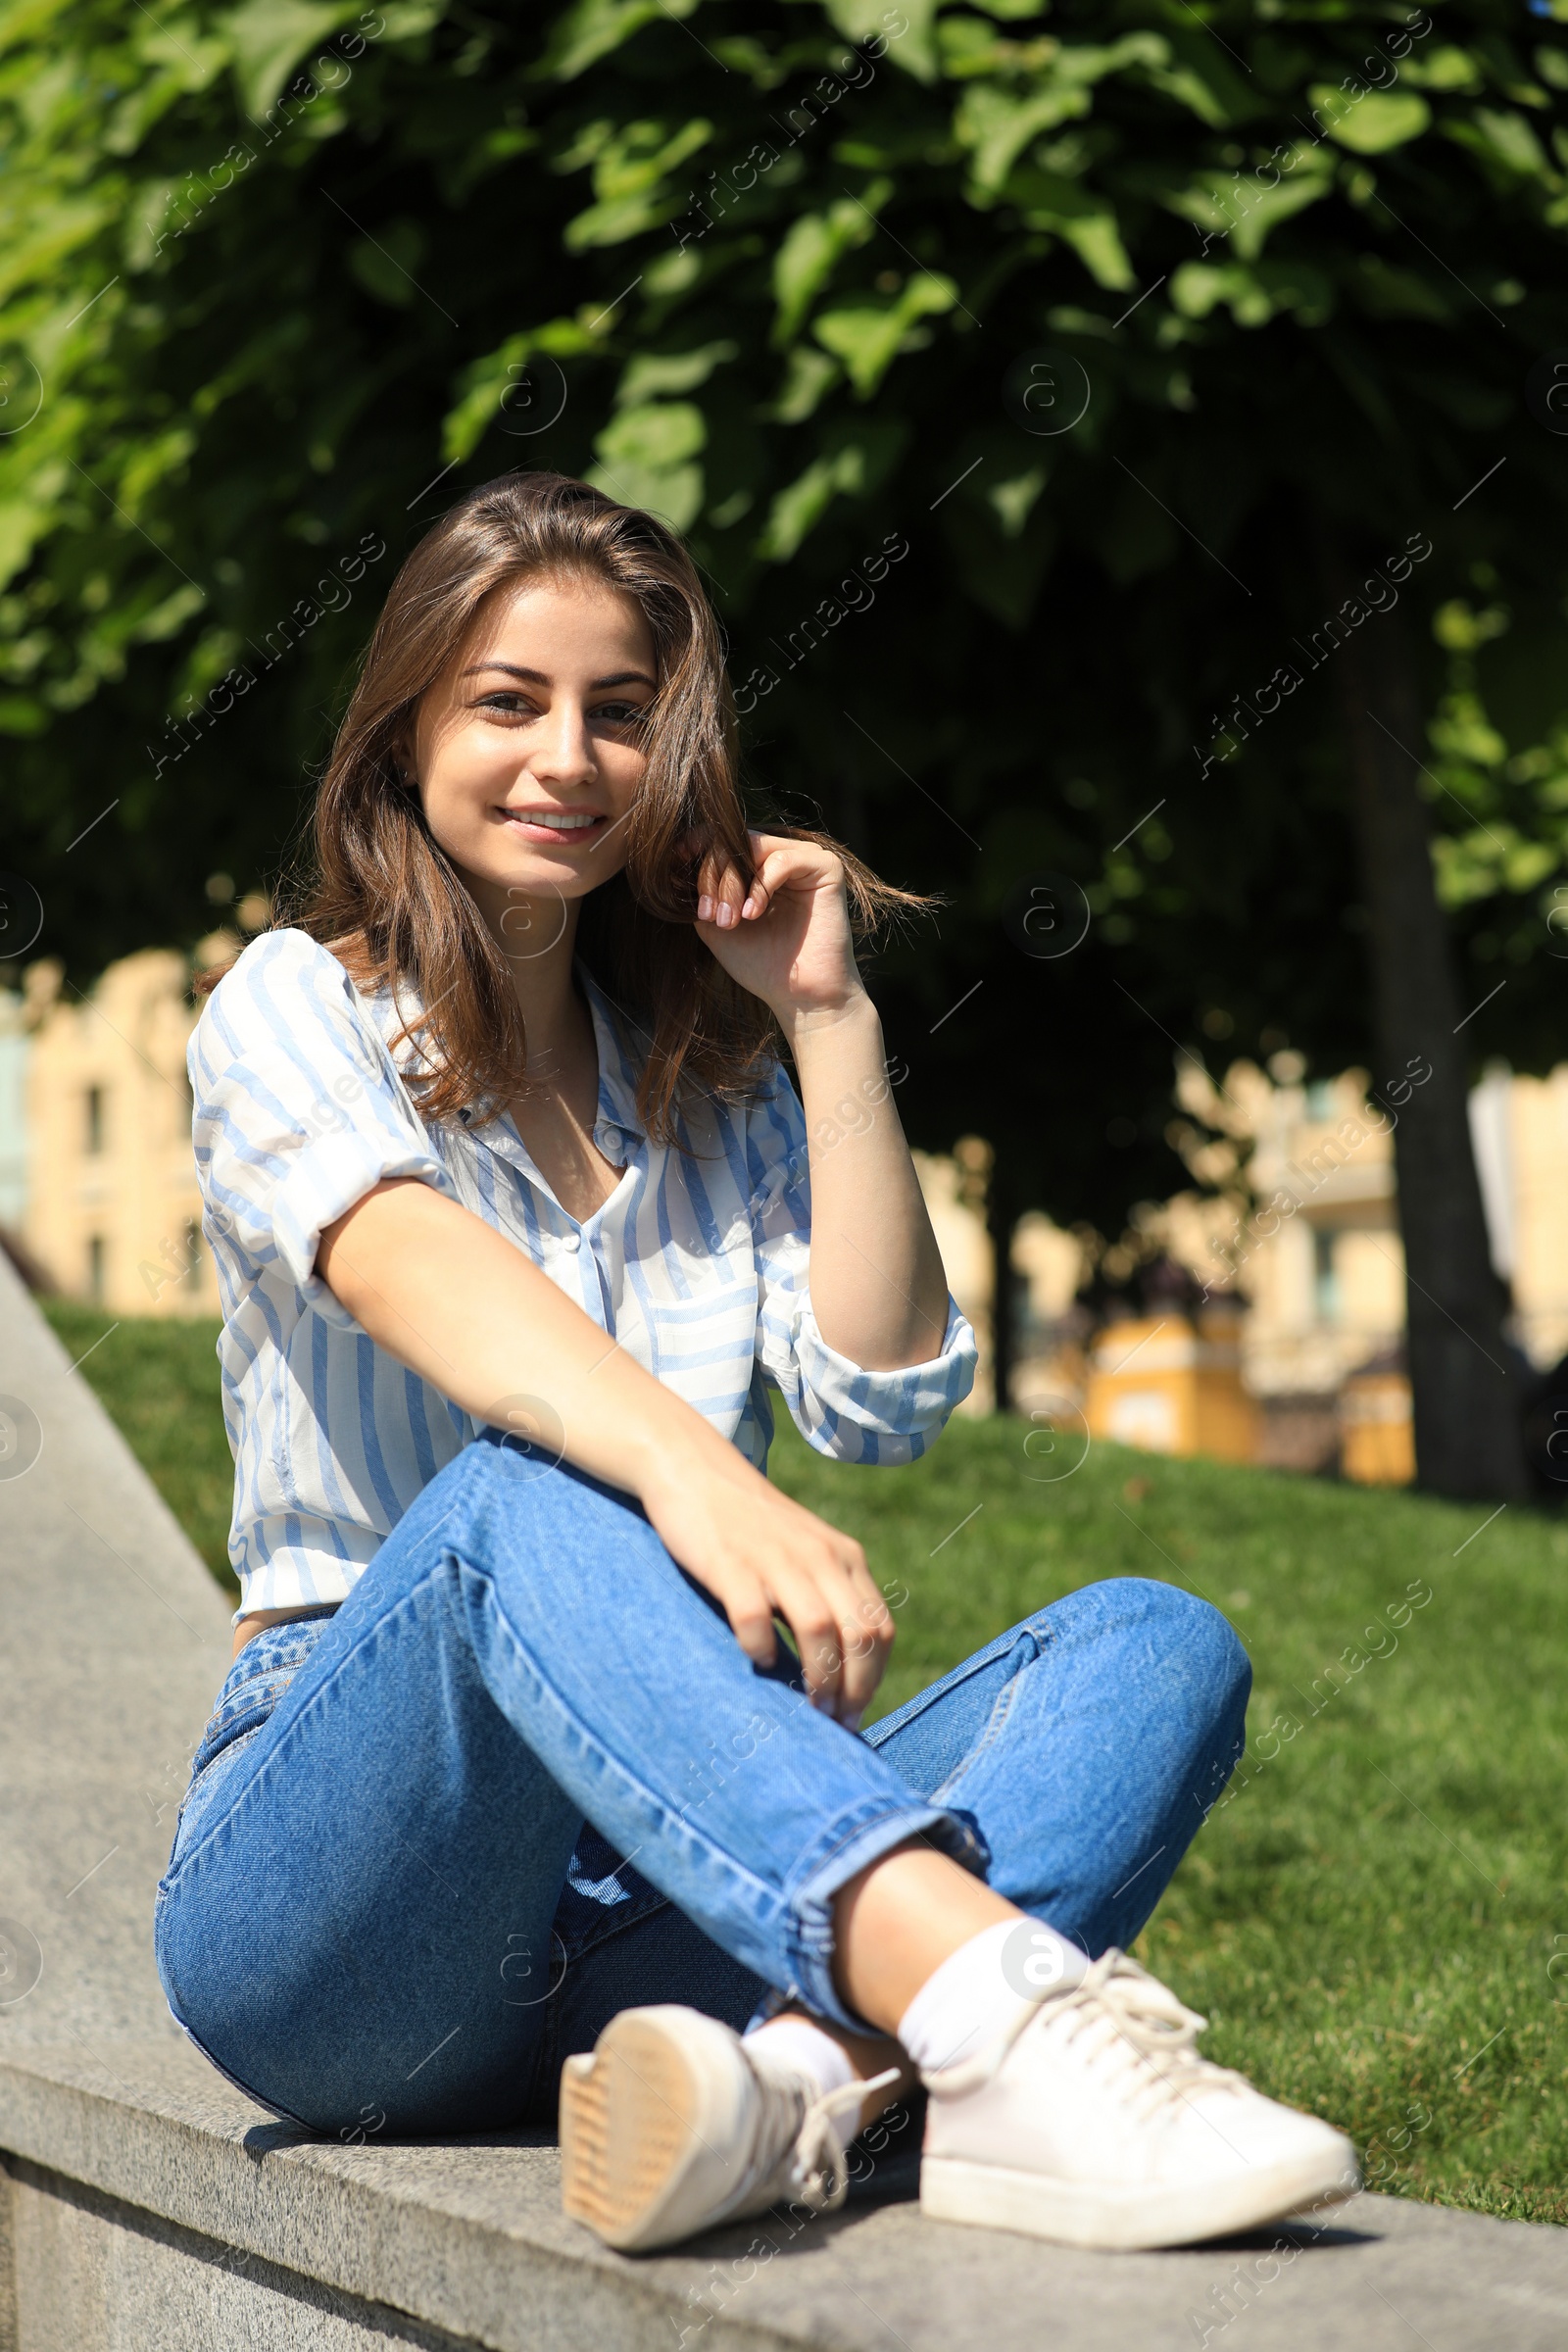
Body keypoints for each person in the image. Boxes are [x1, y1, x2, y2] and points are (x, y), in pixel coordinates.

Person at [156, 469, 1355, 2258]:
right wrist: (698, 1478)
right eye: (508, 702)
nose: (567, 756)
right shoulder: (293, 1006)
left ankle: (788, 2089)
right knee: (512, 1500)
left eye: (620, 714)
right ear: (402, 733)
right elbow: (415, 1270)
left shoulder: (707, 1096)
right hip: (348, 1909)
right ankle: (995, 2025)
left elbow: (884, 1396)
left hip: (664, 1890)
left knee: (1151, 1644)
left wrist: (827, 1019)